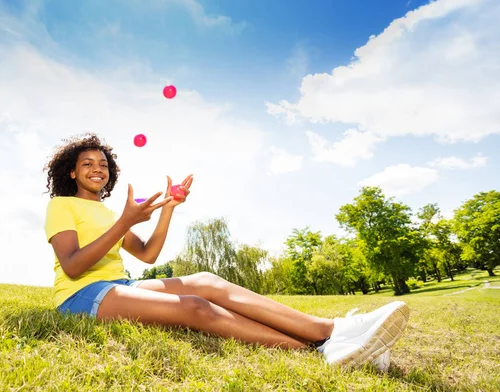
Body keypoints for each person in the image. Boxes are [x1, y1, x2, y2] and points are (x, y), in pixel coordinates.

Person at [42, 132, 409, 369]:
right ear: (72, 173)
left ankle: (332, 331)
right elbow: (73, 266)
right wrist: (125, 222)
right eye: (87, 164)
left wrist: (167, 209)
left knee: (206, 282)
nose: (97, 169)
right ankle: (314, 348)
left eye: (103, 164)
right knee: (196, 307)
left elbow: (149, 255)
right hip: (80, 297)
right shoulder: (62, 206)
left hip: (120, 284)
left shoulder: (106, 212)